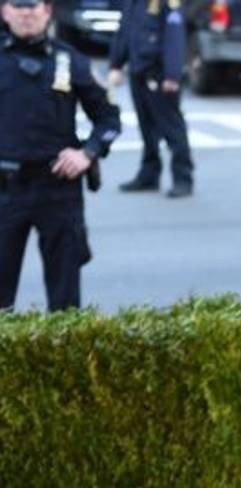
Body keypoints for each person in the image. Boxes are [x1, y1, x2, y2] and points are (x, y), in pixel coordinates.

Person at [0, 0, 120, 311]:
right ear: (5, 12)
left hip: (57, 188)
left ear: (48, 11)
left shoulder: (71, 61)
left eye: (33, 5)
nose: (26, 13)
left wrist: (88, 153)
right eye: (18, 5)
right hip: (5, 189)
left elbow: (109, 120)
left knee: (65, 302)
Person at [107, 0, 193, 198]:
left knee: (172, 129)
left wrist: (172, 74)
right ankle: (149, 174)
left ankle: (183, 178)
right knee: (146, 128)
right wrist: (115, 63)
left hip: (159, 73)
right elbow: (124, 31)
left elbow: (174, 35)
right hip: (138, 70)